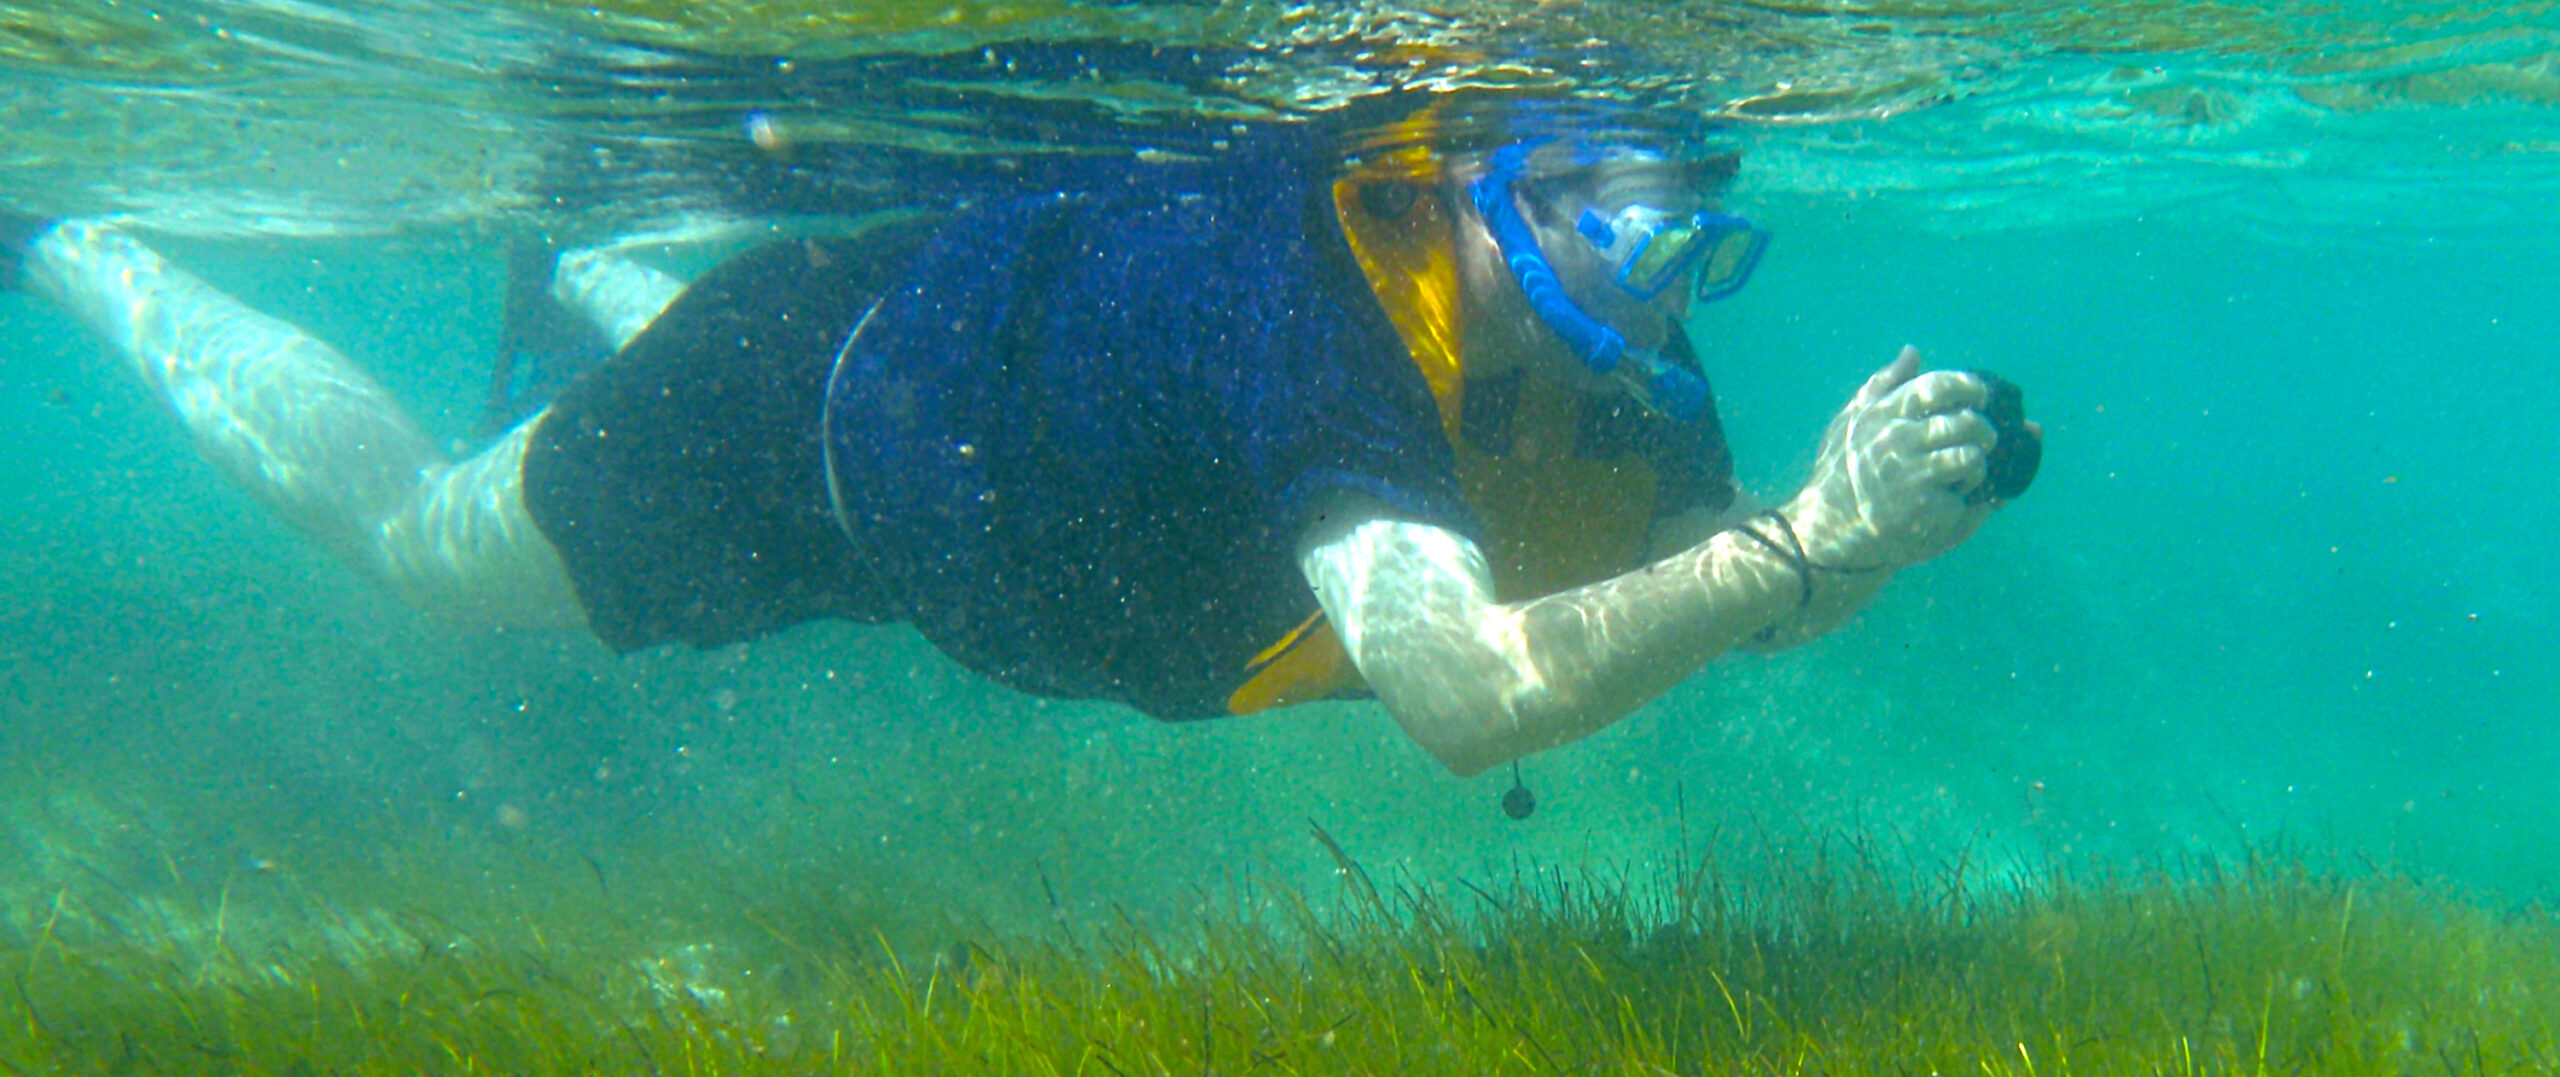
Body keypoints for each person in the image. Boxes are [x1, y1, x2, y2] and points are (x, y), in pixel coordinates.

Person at [0, 117, 2038, 779]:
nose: (1658, 275)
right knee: (424, 550)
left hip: (947, 431)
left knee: (628, 352)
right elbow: (1462, 695)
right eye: (1609, 213)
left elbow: (1738, 602)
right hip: (794, 437)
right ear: (1479, 178)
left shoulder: (1629, 368)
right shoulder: (1318, 321)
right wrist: (1802, 543)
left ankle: (611, 274)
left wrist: (1862, 538)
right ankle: (80, 247)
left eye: (1693, 225)